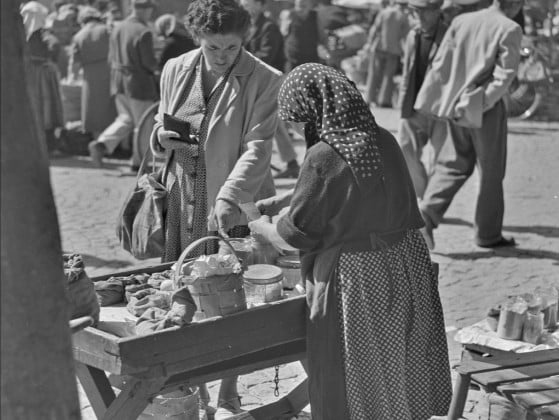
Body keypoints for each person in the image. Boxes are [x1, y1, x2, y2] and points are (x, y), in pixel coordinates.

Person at [250, 63, 452, 420]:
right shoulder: (380, 138)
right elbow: (357, 188)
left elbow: (292, 236)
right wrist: (288, 198)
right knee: (400, 358)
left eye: (295, 119)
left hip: (361, 278)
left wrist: (261, 225)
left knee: (362, 368)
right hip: (404, 263)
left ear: (313, 111)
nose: (295, 128)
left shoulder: (324, 155)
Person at [149, 0, 282, 417]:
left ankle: (228, 391)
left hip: (232, 202)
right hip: (182, 196)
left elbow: (258, 148)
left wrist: (228, 195)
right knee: (183, 293)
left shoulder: (264, 79)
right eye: (213, 48)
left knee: (229, 302)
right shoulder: (176, 67)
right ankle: (194, 390)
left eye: (231, 48)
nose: (223, 56)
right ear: (197, 39)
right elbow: (161, 120)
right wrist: (159, 138)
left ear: (244, 40)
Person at [414, 0, 523, 249]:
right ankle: (488, 234)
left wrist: (444, 101)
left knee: (453, 163)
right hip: (484, 108)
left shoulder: (462, 21)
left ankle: (426, 216)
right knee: (491, 171)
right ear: (515, 3)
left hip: (456, 104)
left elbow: (441, 64)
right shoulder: (509, 28)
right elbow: (504, 76)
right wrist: (480, 104)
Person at [88, 0, 158, 170]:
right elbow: (149, 63)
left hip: (118, 81)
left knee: (125, 119)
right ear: (146, 10)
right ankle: (139, 162)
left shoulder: (118, 27)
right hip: (138, 83)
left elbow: (111, 58)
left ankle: (102, 144)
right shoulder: (144, 31)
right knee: (143, 124)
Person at [241, 0, 301, 178]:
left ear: (260, 5)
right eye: (244, 3)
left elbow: (267, 55)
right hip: (254, 81)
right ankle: (290, 163)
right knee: (274, 124)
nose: (246, 6)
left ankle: (286, 164)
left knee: (272, 123)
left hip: (270, 82)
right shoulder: (246, 26)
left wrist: (241, 58)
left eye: (250, 3)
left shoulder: (269, 27)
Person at [397, 0, 449, 198]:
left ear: (437, 11)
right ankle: (422, 195)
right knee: (405, 149)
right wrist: (403, 103)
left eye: (425, 11)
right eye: (416, 11)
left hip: (440, 107)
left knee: (438, 158)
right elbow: (406, 71)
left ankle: (430, 202)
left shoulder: (449, 35)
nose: (420, 16)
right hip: (413, 103)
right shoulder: (413, 35)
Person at [21, 1, 65, 156]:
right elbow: (55, 48)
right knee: (43, 108)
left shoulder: (32, 34)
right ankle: (47, 146)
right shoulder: (33, 34)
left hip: (36, 74)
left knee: (45, 109)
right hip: (39, 75)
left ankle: (48, 145)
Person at [69, 6, 116, 139]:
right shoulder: (106, 30)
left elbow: (75, 65)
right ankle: (114, 143)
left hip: (90, 75)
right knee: (111, 108)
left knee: (93, 109)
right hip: (109, 71)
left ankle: (98, 141)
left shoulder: (78, 36)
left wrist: (73, 77)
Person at [364, 0, 410, 107]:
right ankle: (384, 101)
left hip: (378, 47)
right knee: (388, 76)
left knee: (374, 74)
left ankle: (369, 98)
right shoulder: (403, 16)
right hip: (394, 50)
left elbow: (374, 29)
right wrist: (405, 52)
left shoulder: (384, 12)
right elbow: (406, 36)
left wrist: (369, 44)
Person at [280, 0, 322, 72]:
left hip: (311, 58)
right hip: (293, 58)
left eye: (303, 6)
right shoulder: (289, 15)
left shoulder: (316, 16)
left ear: (310, 5)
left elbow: (322, 35)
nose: (300, 9)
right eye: (298, 6)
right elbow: (283, 34)